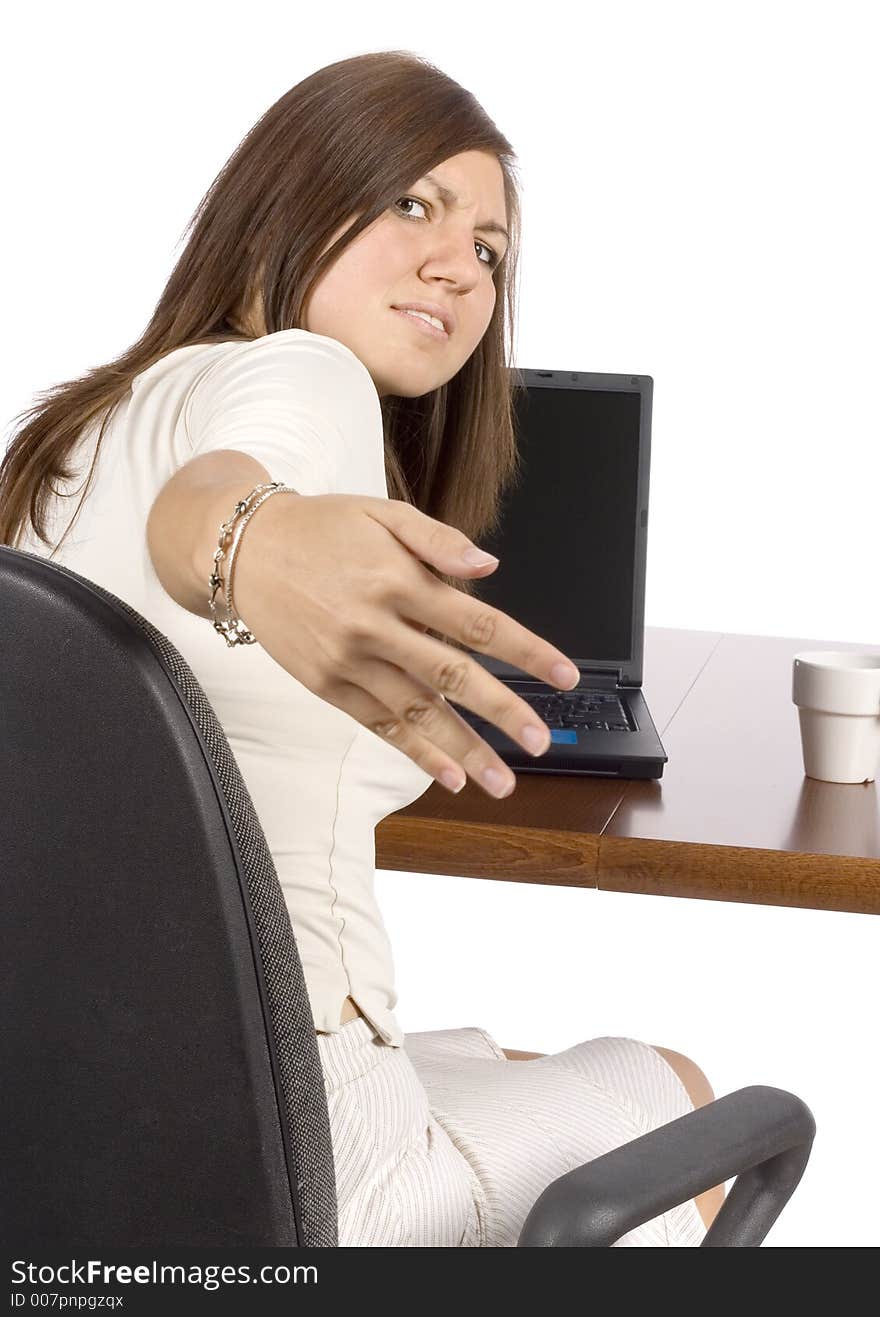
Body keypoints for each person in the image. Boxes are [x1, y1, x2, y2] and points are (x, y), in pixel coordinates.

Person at [0, 49, 725, 1246]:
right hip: (308, 1162)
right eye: (412, 204)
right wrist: (257, 542)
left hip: (85, 1130)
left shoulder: (75, 430)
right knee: (678, 1086)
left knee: (517, 1057)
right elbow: (218, 503)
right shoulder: (305, 375)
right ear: (291, 198)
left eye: (491, 250)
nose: (460, 262)